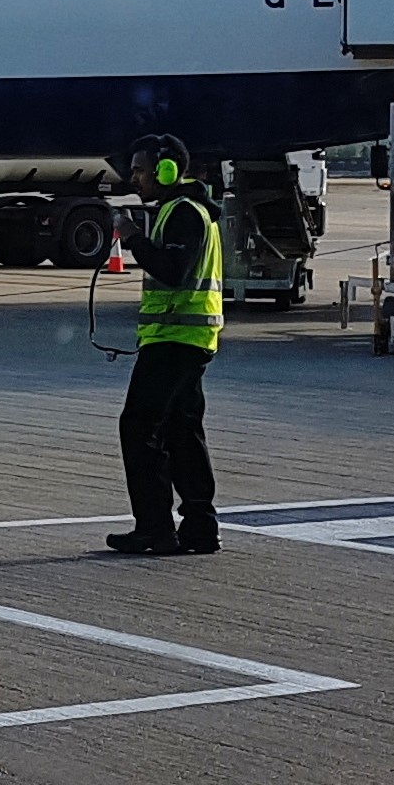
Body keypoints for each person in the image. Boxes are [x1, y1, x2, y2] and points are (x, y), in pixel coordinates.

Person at [107, 137, 223, 556]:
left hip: (175, 339)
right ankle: (199, 527)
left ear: (167, 170)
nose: (134, 178)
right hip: (186, 339)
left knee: (139, 428)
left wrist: (133, 237)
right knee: (182, 431)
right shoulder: (186, 210)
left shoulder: (184, 214)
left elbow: (173, 271)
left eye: (140, 170)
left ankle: (155, 527)